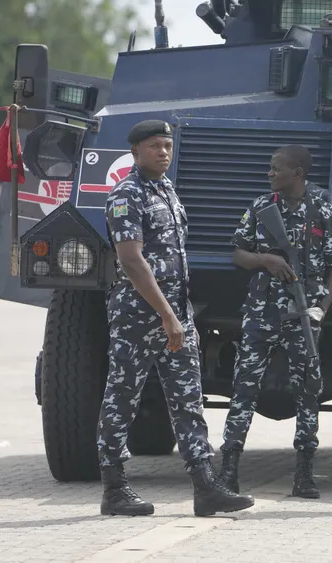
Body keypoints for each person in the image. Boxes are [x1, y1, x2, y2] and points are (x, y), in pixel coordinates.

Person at [98, 119, 255, 518]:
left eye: (167, 145)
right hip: (139, 315)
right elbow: (131, 260)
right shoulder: (126, 194)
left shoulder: (166, 189)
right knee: (123, 397)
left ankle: (205, 487)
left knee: (188, 400)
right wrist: (167, 315)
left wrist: (178, 314)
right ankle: (115, 489)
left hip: (175, 314)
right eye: (154, 146)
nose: (163, 152)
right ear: (135, 151)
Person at [216, 145, 332, 499]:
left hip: (303, 315)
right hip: (261, 313)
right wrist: (265, 261)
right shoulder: (261, 207)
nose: (270, 174)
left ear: (298, 174)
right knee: (244, 391)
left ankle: (304, 474)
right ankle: (228, 470)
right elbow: (238, 254)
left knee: (308, 391)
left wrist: (322, 308)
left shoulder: (323, 211)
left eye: (276, 169)